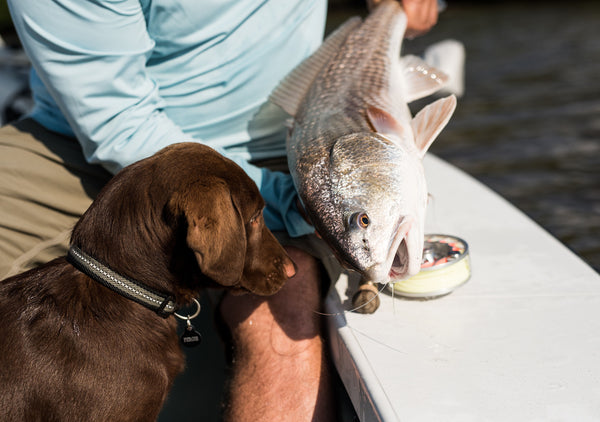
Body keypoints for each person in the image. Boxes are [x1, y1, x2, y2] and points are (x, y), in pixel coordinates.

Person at [1, 0, 438, 419]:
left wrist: (299, 197)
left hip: (278, 152)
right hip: (76, 143)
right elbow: (117, 121)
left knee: (286, 325)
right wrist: (291, 203)